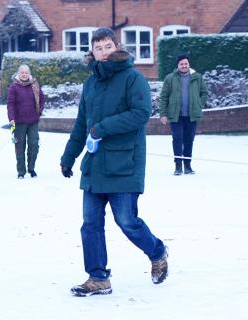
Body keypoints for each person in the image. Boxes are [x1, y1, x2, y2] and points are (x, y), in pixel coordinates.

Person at [60, 27, 168, 297]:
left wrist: (102, 128)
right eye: (98, 48)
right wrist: (69, 155)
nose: (103, 52)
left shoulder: (133, 78)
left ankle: (157, 252)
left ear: (116, 47)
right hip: (95, 165)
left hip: (124, 164)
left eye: (108, 46)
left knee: (127, 221)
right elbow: (82, 124)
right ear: (92, 53)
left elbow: (141, 114)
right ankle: (98, 277)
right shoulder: (90, 84)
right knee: (90, 223)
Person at [159, 53, 208, 176]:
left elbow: (204, 93)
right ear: (178, 65)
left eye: (186, 63)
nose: (184, 66)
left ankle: (187, 165)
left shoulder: (197, 77)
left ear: (189, 64)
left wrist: (198, 104)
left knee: (189, 140)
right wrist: (163, 114)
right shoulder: (170, 78)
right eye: (181, 64)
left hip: (191, 116)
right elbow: (163, 97)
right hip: (176, 116)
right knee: (177, 139)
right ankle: (178, 165)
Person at [6, 64, 45, 179]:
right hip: (18, 122)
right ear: (19, 74)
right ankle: (21, 171)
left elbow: (42, 99)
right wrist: (11, 118)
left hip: (33, 121)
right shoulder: (14, 87)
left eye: (26, 72)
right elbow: (10, 104)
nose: (24, 74)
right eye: (22, 72)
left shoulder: (34, 85)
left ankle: (31, 169)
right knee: (20, 147)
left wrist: (39, 112)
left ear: (29, 74)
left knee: (34, 145)